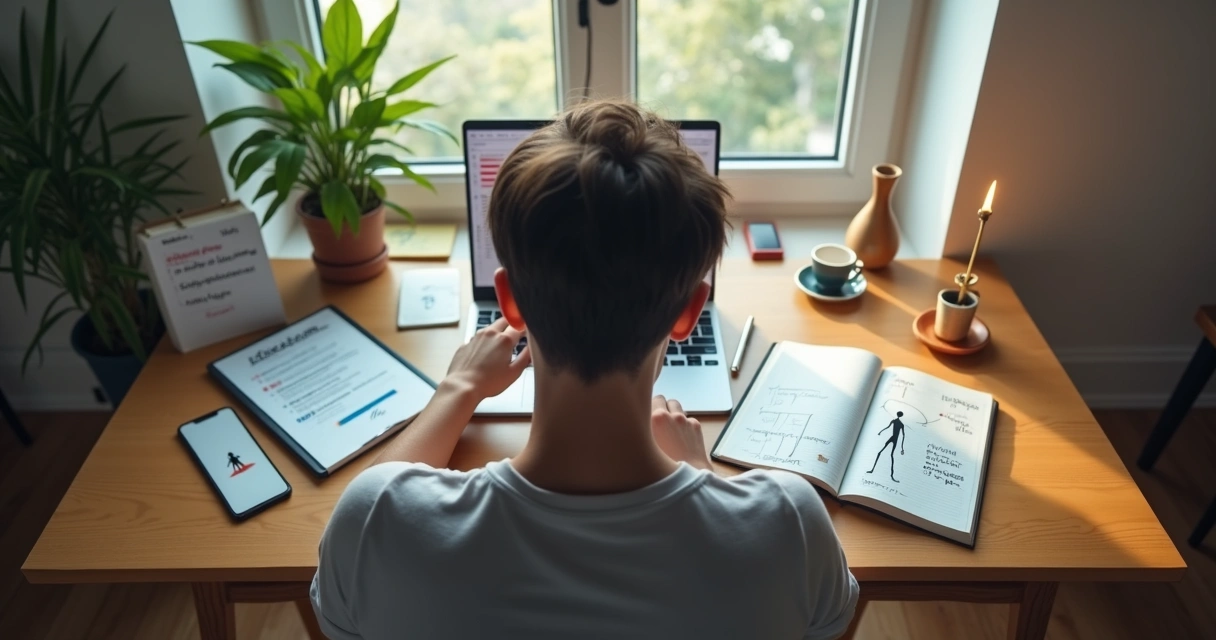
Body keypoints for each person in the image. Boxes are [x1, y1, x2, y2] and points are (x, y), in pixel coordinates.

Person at [310, 100, 858, 639]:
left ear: (510, 302)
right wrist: (703, 476)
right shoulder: (790, 526)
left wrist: (457, 389)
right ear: (690, 311)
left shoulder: (375, 524)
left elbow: (375, 506)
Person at [867, 411, 906, 482]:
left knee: (886, 454)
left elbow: (888, 427)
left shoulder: (895, 422)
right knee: (888, 454)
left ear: (897, 414)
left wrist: (880, 431)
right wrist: (902, 448)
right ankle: (873, 470)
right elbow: (903, 435)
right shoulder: (901, 424)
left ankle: (891, 475)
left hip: (893, 438)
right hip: (894, 439)